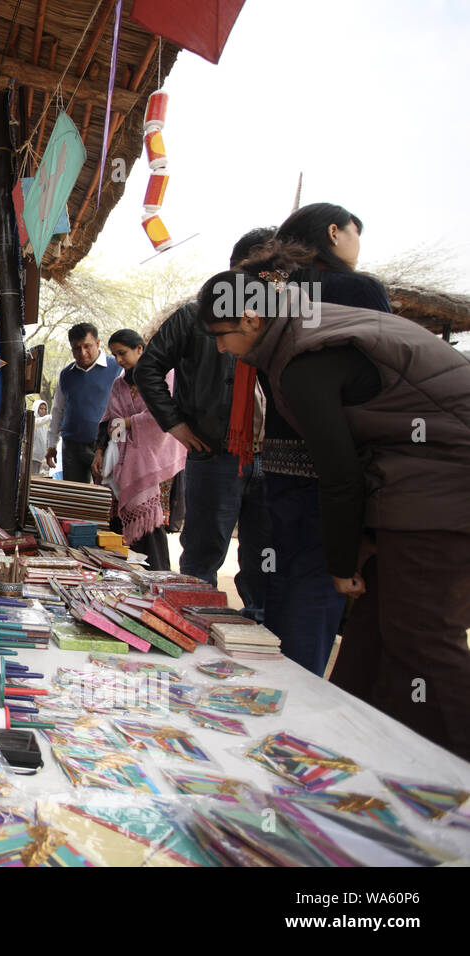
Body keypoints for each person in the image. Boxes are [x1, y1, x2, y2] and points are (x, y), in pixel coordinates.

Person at [195, 245, 470, 760]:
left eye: (221, 337)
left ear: (251, 317)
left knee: (421, 640)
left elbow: (338, 472)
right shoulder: (307, 329)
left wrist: (342, 563)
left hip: (444, 485)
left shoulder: (303, 360)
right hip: (420, 481)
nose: (222, 351)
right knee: (374, 636)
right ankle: (366, 758)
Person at [255, 203, 393, 675]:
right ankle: (299, 699)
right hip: (335, 458)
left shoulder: (270, 294)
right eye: (356, 232)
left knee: (284, 576)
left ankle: (275, 682)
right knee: (322, 580)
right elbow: (385, 373)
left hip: (277, 455)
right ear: (334, 233)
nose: (358, 243)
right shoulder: (360, 290)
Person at [135, 228, 274, 617]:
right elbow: (149, 369)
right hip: (215, 450)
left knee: (266, 555)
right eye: (264, 272)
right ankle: (194, 624)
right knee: (202, 555)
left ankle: (258, 632)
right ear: (236, 270)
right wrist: (175, 424)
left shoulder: (284, 319)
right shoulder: (193, 317)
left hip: (275, 455)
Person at [91, 329, 186, 571]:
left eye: (123, 353)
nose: (119, 360)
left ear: (140, 349)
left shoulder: (164, 376)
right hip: (123, 463)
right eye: (115, 355)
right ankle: (124, 575)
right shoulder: (119, 384)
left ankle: (157, 575)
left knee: (151, 523)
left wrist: (129, 423)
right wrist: (101, 451)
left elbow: (164, 414)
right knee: (119, 520)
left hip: (156, 462)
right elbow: (110, 419)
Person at [44, 323, 119, 483]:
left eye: (87, 346)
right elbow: (58, 410)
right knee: (74, 496)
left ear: (98, 343)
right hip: (71, 447)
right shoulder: (66, 375)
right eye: (77, 348)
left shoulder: (116, 369)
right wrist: (51, 444)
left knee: (105, 496)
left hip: (104, 446)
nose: (82, 353)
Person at [30, 400, 51, 476]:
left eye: (45, 409)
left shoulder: (44, 427)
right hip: (31, 458)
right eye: (41, 408)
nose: (43, 411)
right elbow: (38, 422)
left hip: (39, 459)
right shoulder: (32, 422)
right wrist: (51, 416)